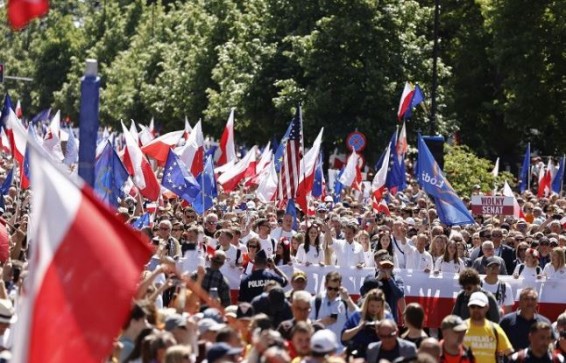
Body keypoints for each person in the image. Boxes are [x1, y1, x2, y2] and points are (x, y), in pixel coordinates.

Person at [310, 271, 358, 349]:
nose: (332, 291)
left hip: (340, 348)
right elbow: (306, 324)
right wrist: (321, 322)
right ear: (325, 285)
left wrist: (348, 299)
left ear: (340, 286)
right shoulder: (315, 300)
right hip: (320, 348)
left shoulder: (345, 301)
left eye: (336, 289)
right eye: (330, 288)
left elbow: (358, 317)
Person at [341, 288, 393, 359]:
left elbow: (394, 338)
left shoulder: (387, 316)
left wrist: (381, 328)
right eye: (372, 305)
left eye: (378, 306)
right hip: (359, 354)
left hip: (380, 354)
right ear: (367, 303)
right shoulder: (357, 315)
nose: (374, 309)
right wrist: (359, 328)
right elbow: (343, 337)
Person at [463, 292, 513, 363]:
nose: (476, 309)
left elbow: (510, 353)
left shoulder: (495, 329)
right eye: (473, 306)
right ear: (468, 308)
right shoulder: (460, 329)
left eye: (480, 306)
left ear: (487, 307)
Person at [500, 287, 553, 351]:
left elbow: (551, 343)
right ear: (519, 302)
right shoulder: (507, 321)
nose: (530, 302)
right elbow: (498, 342)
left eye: (533, 299)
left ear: (537, 303)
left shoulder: (545, 322)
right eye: (526, 299)